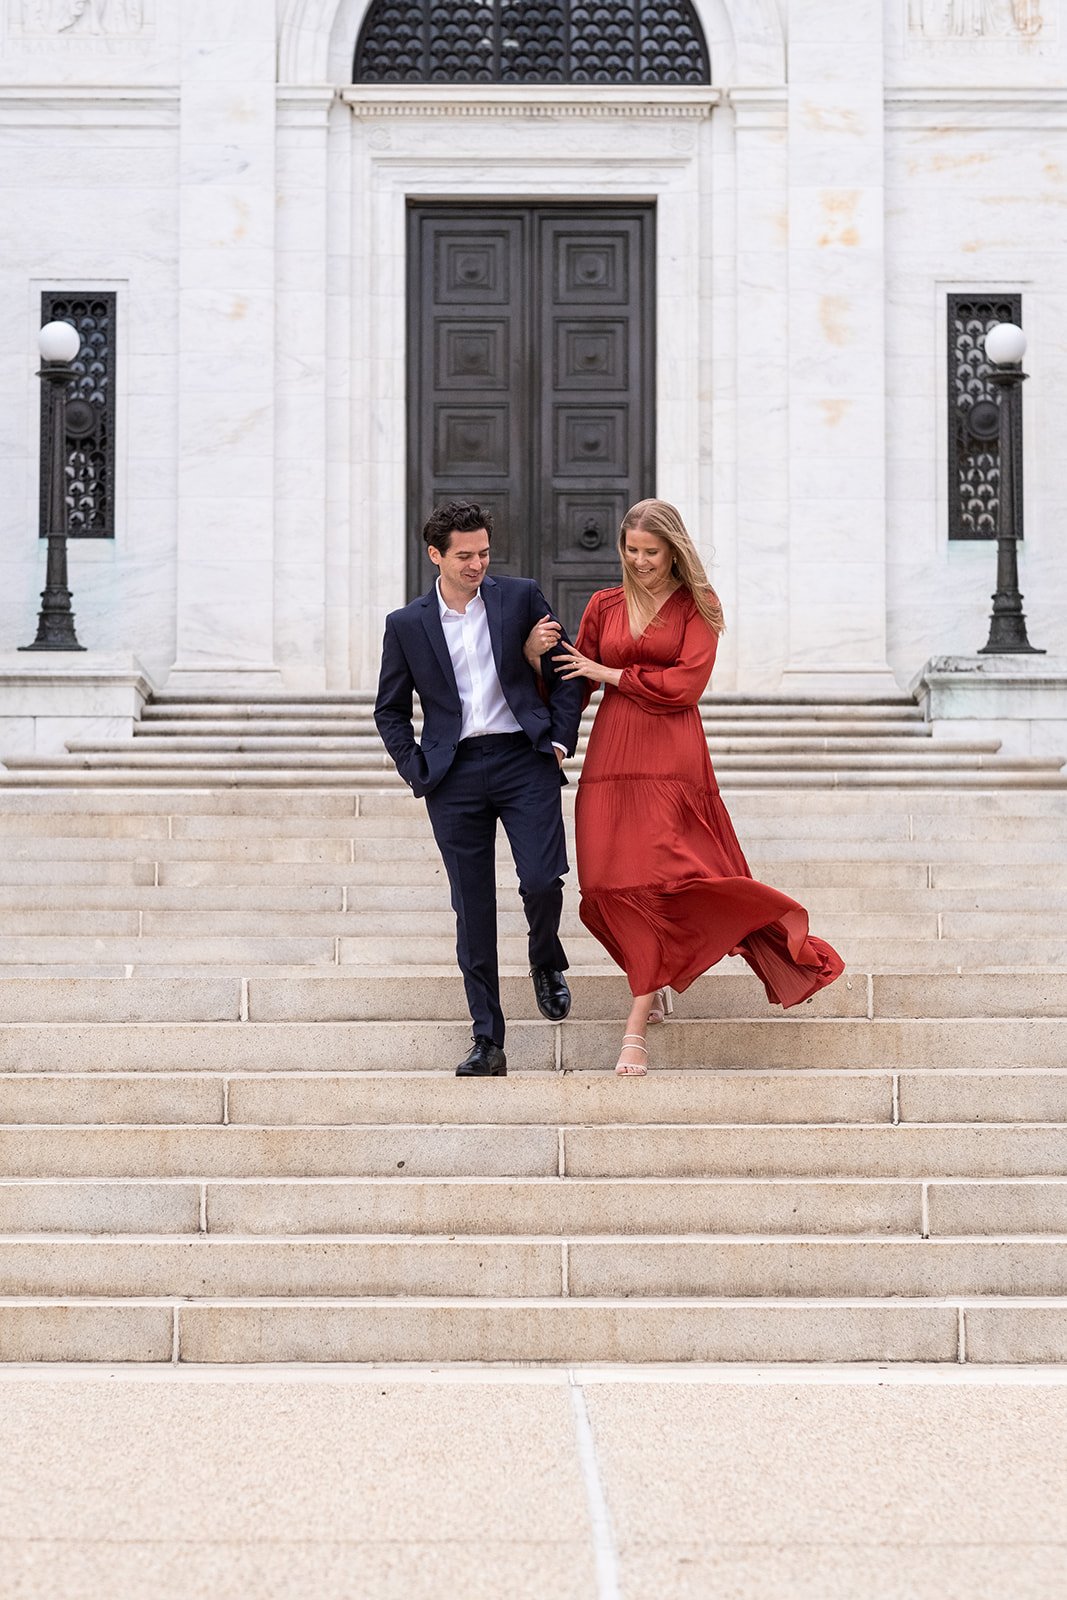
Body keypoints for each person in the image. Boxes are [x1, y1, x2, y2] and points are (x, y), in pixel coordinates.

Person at [525, 498, 844, 1076]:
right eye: (632, 550)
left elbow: (687, 684)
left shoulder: (698, 603)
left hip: (670, 757)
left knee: (657, 878)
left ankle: (636, 1027)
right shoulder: (604, 604)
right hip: (610, 758)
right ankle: (657, 968)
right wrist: (543, 694)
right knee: (603, 885)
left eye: (651, 551)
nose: (640, 561)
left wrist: (613, 674)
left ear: (674, 550)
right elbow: (573, 684)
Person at [375, 500, 584, 1077]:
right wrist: (417, 769)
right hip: (455, 773)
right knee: (473, 910)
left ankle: (545, 957)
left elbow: (565, 672)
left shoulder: (519, 597)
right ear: (435, 555)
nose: (477, 565)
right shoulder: (406, 624)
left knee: (543, 880)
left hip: (524, 759)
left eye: (484, 553)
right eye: (464, 556)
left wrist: (560, 739)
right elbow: (389, 710)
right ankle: (488, 1040)